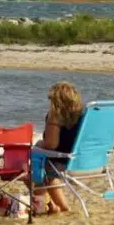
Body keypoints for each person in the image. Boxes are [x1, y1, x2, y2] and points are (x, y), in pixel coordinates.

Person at [34, 81, 84, 215]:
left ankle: (59, 206)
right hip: (86, 161)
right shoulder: (83, 115)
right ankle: (48, 204)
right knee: (42, 163)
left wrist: (39, 145)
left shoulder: (55, 115)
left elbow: (51, 144)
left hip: (64, 162)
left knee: (39, 162)